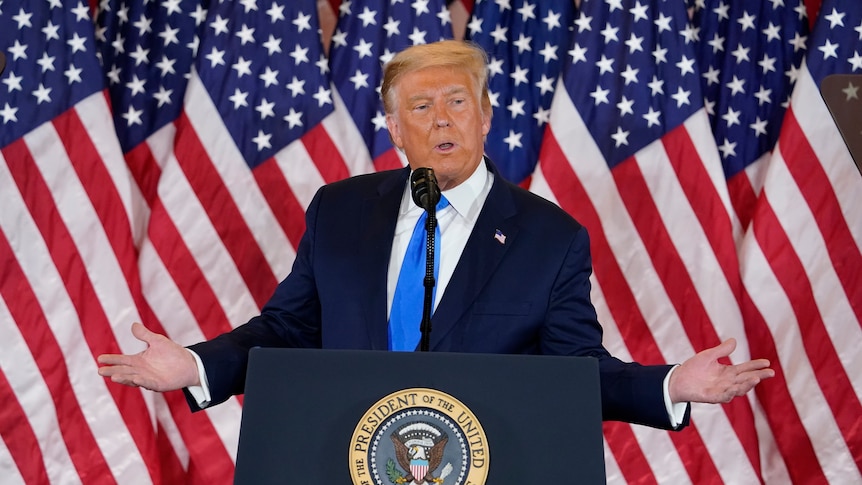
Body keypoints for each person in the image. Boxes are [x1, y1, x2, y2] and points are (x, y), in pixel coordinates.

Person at [98, 40, 773, 430]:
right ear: (395, 130)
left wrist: (669, 386)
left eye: (458, 103)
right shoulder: (338, 211)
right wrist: (195, 364)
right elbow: (287, 330)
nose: (442, 119)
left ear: (485, 118)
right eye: (421, 107)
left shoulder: (548, 236)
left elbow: (576, 373)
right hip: (345, 457)